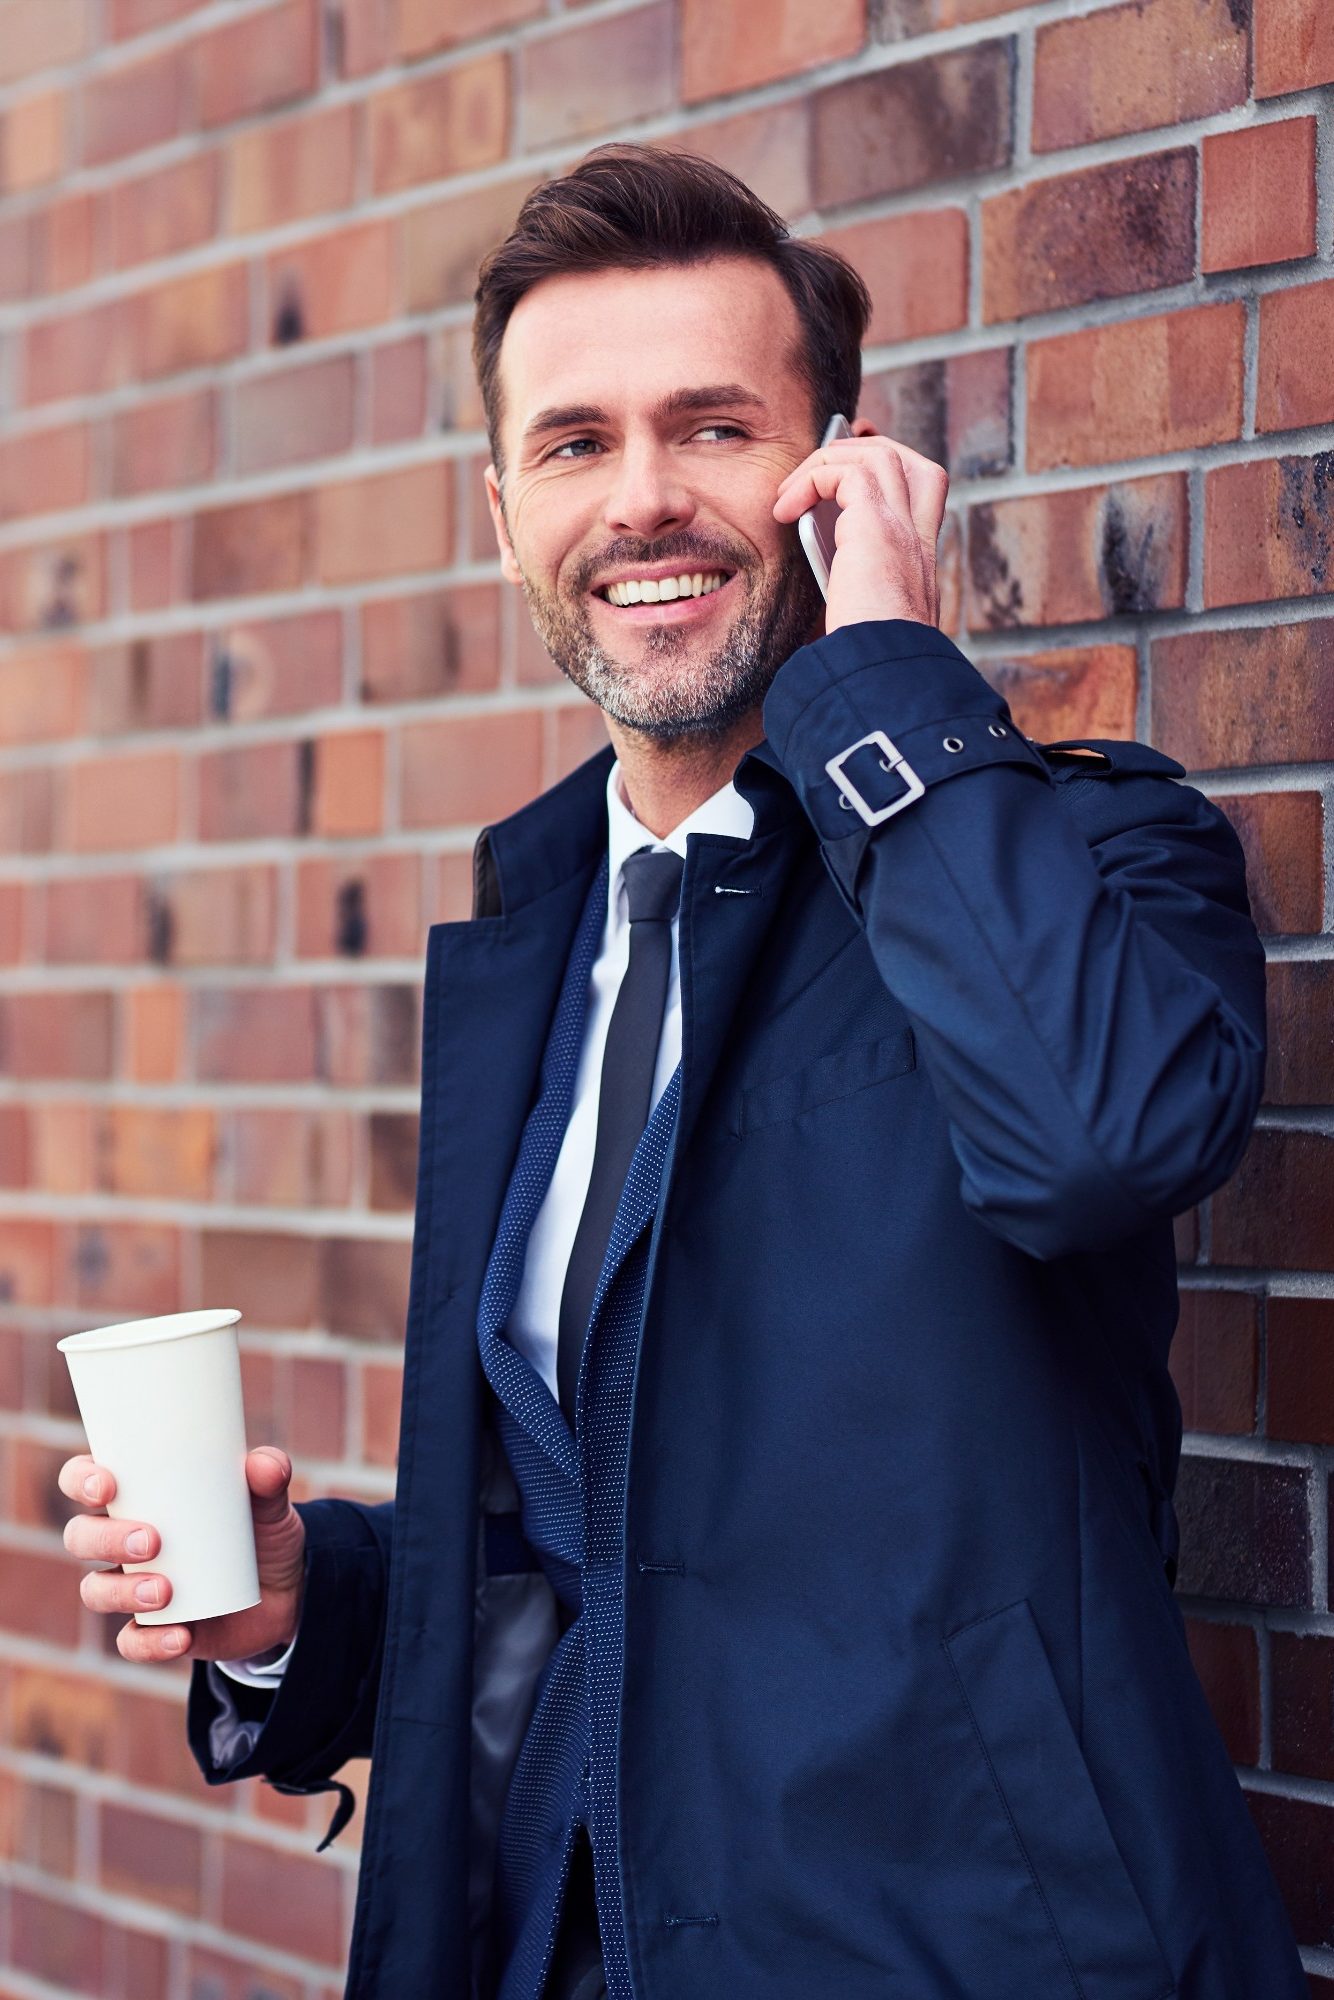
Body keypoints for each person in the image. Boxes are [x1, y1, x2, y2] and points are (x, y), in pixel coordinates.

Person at [58, 145, 1308, 2000]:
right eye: (573, 446)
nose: (641, 502)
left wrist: (884, 663)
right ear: (500, 514)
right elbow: (617, 1552)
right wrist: (304, 1609)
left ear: (832, 476)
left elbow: (1094, 1137)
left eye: (709, 430)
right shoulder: (543, 933)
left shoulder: (1085, 852)